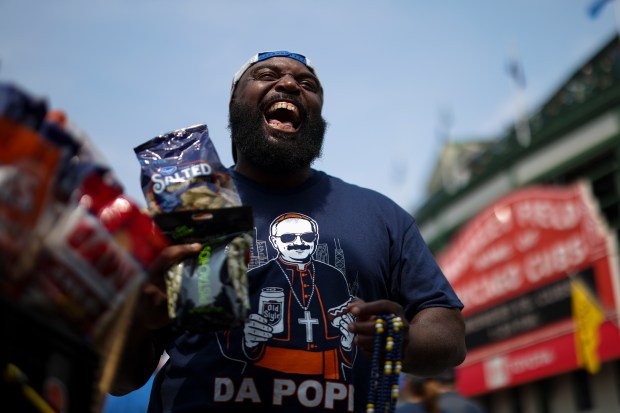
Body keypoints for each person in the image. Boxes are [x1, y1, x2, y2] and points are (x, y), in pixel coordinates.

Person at [111, 50, 466, 412]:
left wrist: (400, 340)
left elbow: (451, 337)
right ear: (234, 104)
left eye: (307, 84)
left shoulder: (382, 216)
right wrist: (139, 320)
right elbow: (120, 380)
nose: (289, 84)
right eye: (266, 75)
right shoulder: (189, 208)